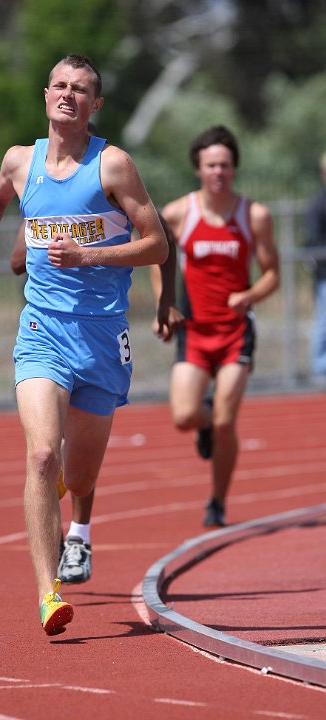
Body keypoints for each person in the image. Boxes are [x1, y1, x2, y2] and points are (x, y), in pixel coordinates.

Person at [0, 53, 169, 635]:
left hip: (101, 337)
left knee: (77, 480)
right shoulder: (19, 160)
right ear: (45, 94)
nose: (68, 95)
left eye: (80, 89)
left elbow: (156, 245)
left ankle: (69, 512)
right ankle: (48, 593)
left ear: (94, 105)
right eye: (59, 85)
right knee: (40, 455)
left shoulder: (114, 167)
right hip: (42, 329)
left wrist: (90, 255)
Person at [11, 210, 179, 587]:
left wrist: (165, 299)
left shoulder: (112, 181)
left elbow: (162, 238)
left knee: (79, 469)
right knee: (44, 452)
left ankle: (79, 533)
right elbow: (16, 262)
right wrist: (40, 238)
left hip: (100, 338)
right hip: (48, 334)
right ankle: (57, 566)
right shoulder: (43, 194)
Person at [152, 125, 280, 527]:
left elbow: (273, 273)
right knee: (184, 416)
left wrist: (250, 296)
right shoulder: (178, 213)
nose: (218, 172)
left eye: (225, 165)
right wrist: (165, 303)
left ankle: (217, 502)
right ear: (198, 169)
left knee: (228, 421)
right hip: (194, 331)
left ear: (235, 168)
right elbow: (157, 254)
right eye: (211, 165)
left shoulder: (253, 215)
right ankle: (203, 422)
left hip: (236, 332)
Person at [305, 151, 326, 380]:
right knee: (324, 322)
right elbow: (312, 240)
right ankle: (321, 369)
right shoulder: (318, 205)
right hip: (325, 275)